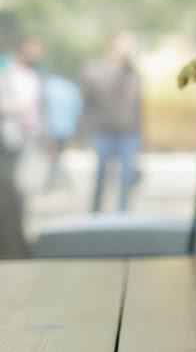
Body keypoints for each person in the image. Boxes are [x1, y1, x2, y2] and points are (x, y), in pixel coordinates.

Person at [81, 31, 144, 214]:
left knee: (127, 177)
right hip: (104, 131)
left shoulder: (134, 74)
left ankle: (122, 214)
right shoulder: (95, 70)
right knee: (101, 176)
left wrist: (143, 136)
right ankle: (95, 213)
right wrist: (84, 131)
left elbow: (138, 105)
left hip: (129, 132)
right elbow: (89, 100)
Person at [0, 15, 38, 256]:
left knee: (17, 196)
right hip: (10, 143)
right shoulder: (10, 75)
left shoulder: (28, 75)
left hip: (21, 141)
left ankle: (16, 245)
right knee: (10, 195)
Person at [40, 63, 83, 191]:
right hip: (67, 127)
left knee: (53, 155)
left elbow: (41, 107)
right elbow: (78, 109)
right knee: (60, 154)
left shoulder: (47, 86)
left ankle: (53, 180)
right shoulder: (71, 87)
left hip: (51, 127)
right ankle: (60, 180)